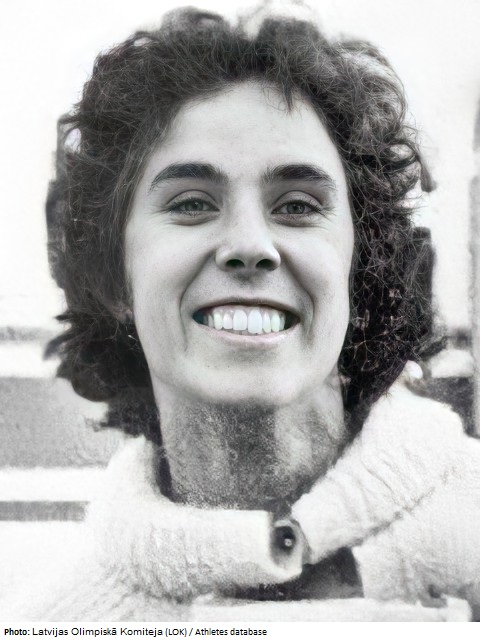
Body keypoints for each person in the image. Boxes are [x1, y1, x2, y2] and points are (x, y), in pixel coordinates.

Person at [5, 5, 480, 621]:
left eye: (298, 205)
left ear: (359, 270)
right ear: (113, 275)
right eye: (192, 203)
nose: (251, 245)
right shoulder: (57, 621)